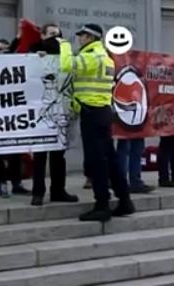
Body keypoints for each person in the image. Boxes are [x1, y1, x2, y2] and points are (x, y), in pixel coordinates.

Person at [59, 23, 134, 222]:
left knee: (97, 161)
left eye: (82, 35)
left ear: (90, 37)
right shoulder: (106, 57)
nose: (79, 39)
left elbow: (67, 65)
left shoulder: (92, 56)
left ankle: (102, 204)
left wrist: (64, 44)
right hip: (101, 111)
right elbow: (88, 85)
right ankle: (125, 200)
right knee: (110, 159)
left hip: (92, 114)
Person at [29, 23, 79, 206]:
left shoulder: (65, 56)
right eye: (50, 34)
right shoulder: (33, 53)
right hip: (41, 112)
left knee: (59, 156)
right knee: (40, 157)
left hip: (61, 111)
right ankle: (38, 193)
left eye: (58, 35)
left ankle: (58, 190)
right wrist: (35, 58)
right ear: (42, 36)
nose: (54, 38)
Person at [0, 37, 30, 198]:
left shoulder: (17, 66)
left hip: (14, 116)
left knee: (16, 150)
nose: (3, 52)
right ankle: (2, 184)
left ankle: (16, 183)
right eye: (0, 49)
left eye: (6, 49)